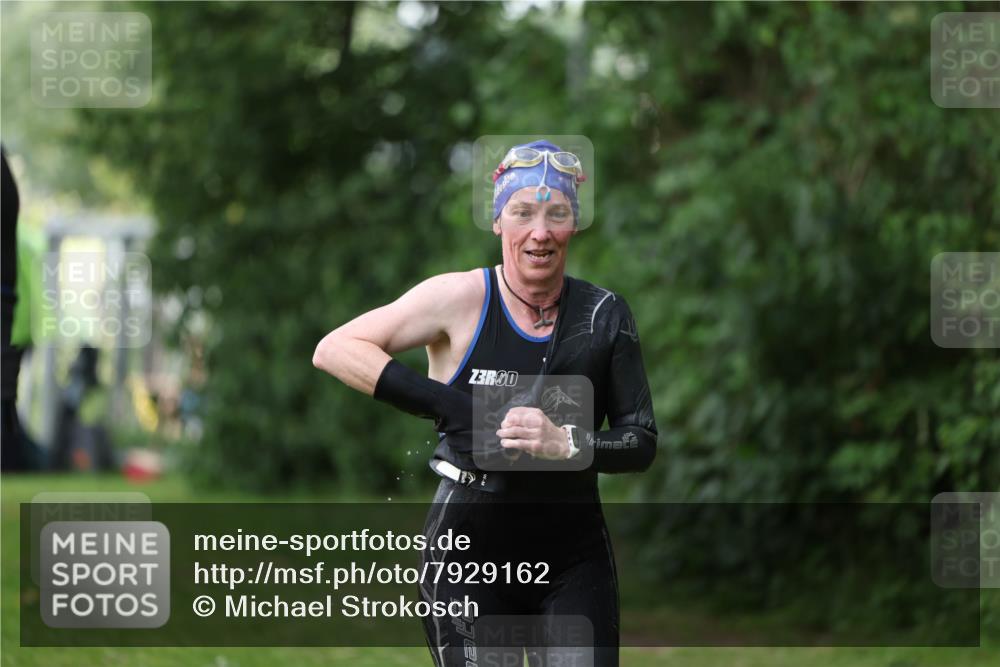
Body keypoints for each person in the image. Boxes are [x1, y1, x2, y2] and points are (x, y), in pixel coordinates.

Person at [313, 139, 657, 666]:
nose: (539, 232)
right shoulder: (458, 299)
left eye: (556, 214)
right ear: (499, 221)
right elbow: (335, 349)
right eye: (523, 212)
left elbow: (641, 440)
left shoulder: (604, 316)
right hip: (468, 556)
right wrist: (459, 411)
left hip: (572, 555)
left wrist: (567, 442)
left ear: (573, 225)